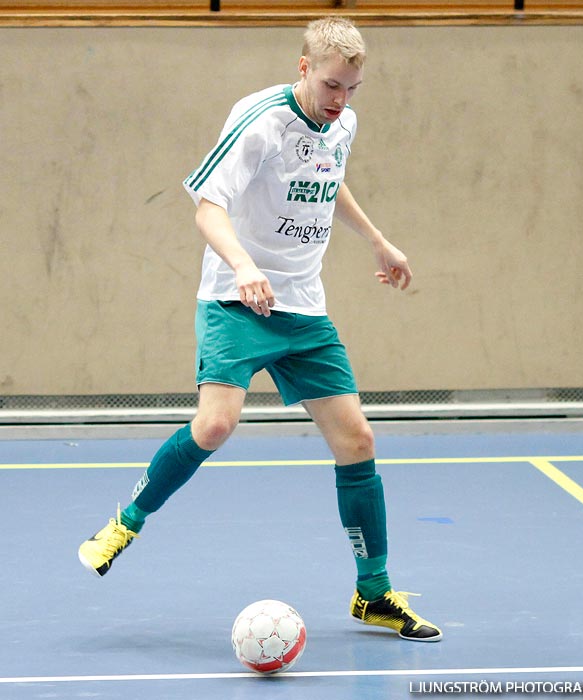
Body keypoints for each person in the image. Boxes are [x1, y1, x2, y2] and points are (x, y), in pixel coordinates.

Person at [79, 16, 442, 643]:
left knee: (357, 441)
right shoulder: (259, 119)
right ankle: (126, 521)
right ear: (304, 68)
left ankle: (374, 593)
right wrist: (243, 266)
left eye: (352, 89)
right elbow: (207, 205)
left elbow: (329, 183)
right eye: (331, 86)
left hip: (302, 304)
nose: (341, 101)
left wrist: (379, 242)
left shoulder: (341, 122)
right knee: (216, 424)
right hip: (235, 297)